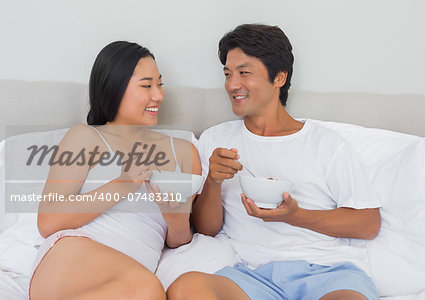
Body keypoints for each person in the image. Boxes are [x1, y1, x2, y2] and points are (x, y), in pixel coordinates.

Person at [167, 24, 381, 300]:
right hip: (251, 276)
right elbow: (206, 229)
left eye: (244, 73)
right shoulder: (215, 140)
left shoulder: (326, 143)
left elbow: (368, 224)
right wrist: (213, 181)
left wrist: (296, 216)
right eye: (228, 74)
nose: (232, 85)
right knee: (186, 288)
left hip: (328, 274)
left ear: (279, 77)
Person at [29, 41, 201, 299]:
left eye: (160, 84)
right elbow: (49, 220)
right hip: (71, 258)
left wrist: (177, 224)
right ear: (114, 87)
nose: (158, 96)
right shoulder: (85, 138)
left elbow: (178, 240)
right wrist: (123, 184)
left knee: (146, 290)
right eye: (146, 85)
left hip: (132, 275)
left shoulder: (184, 152)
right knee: (148, 290)